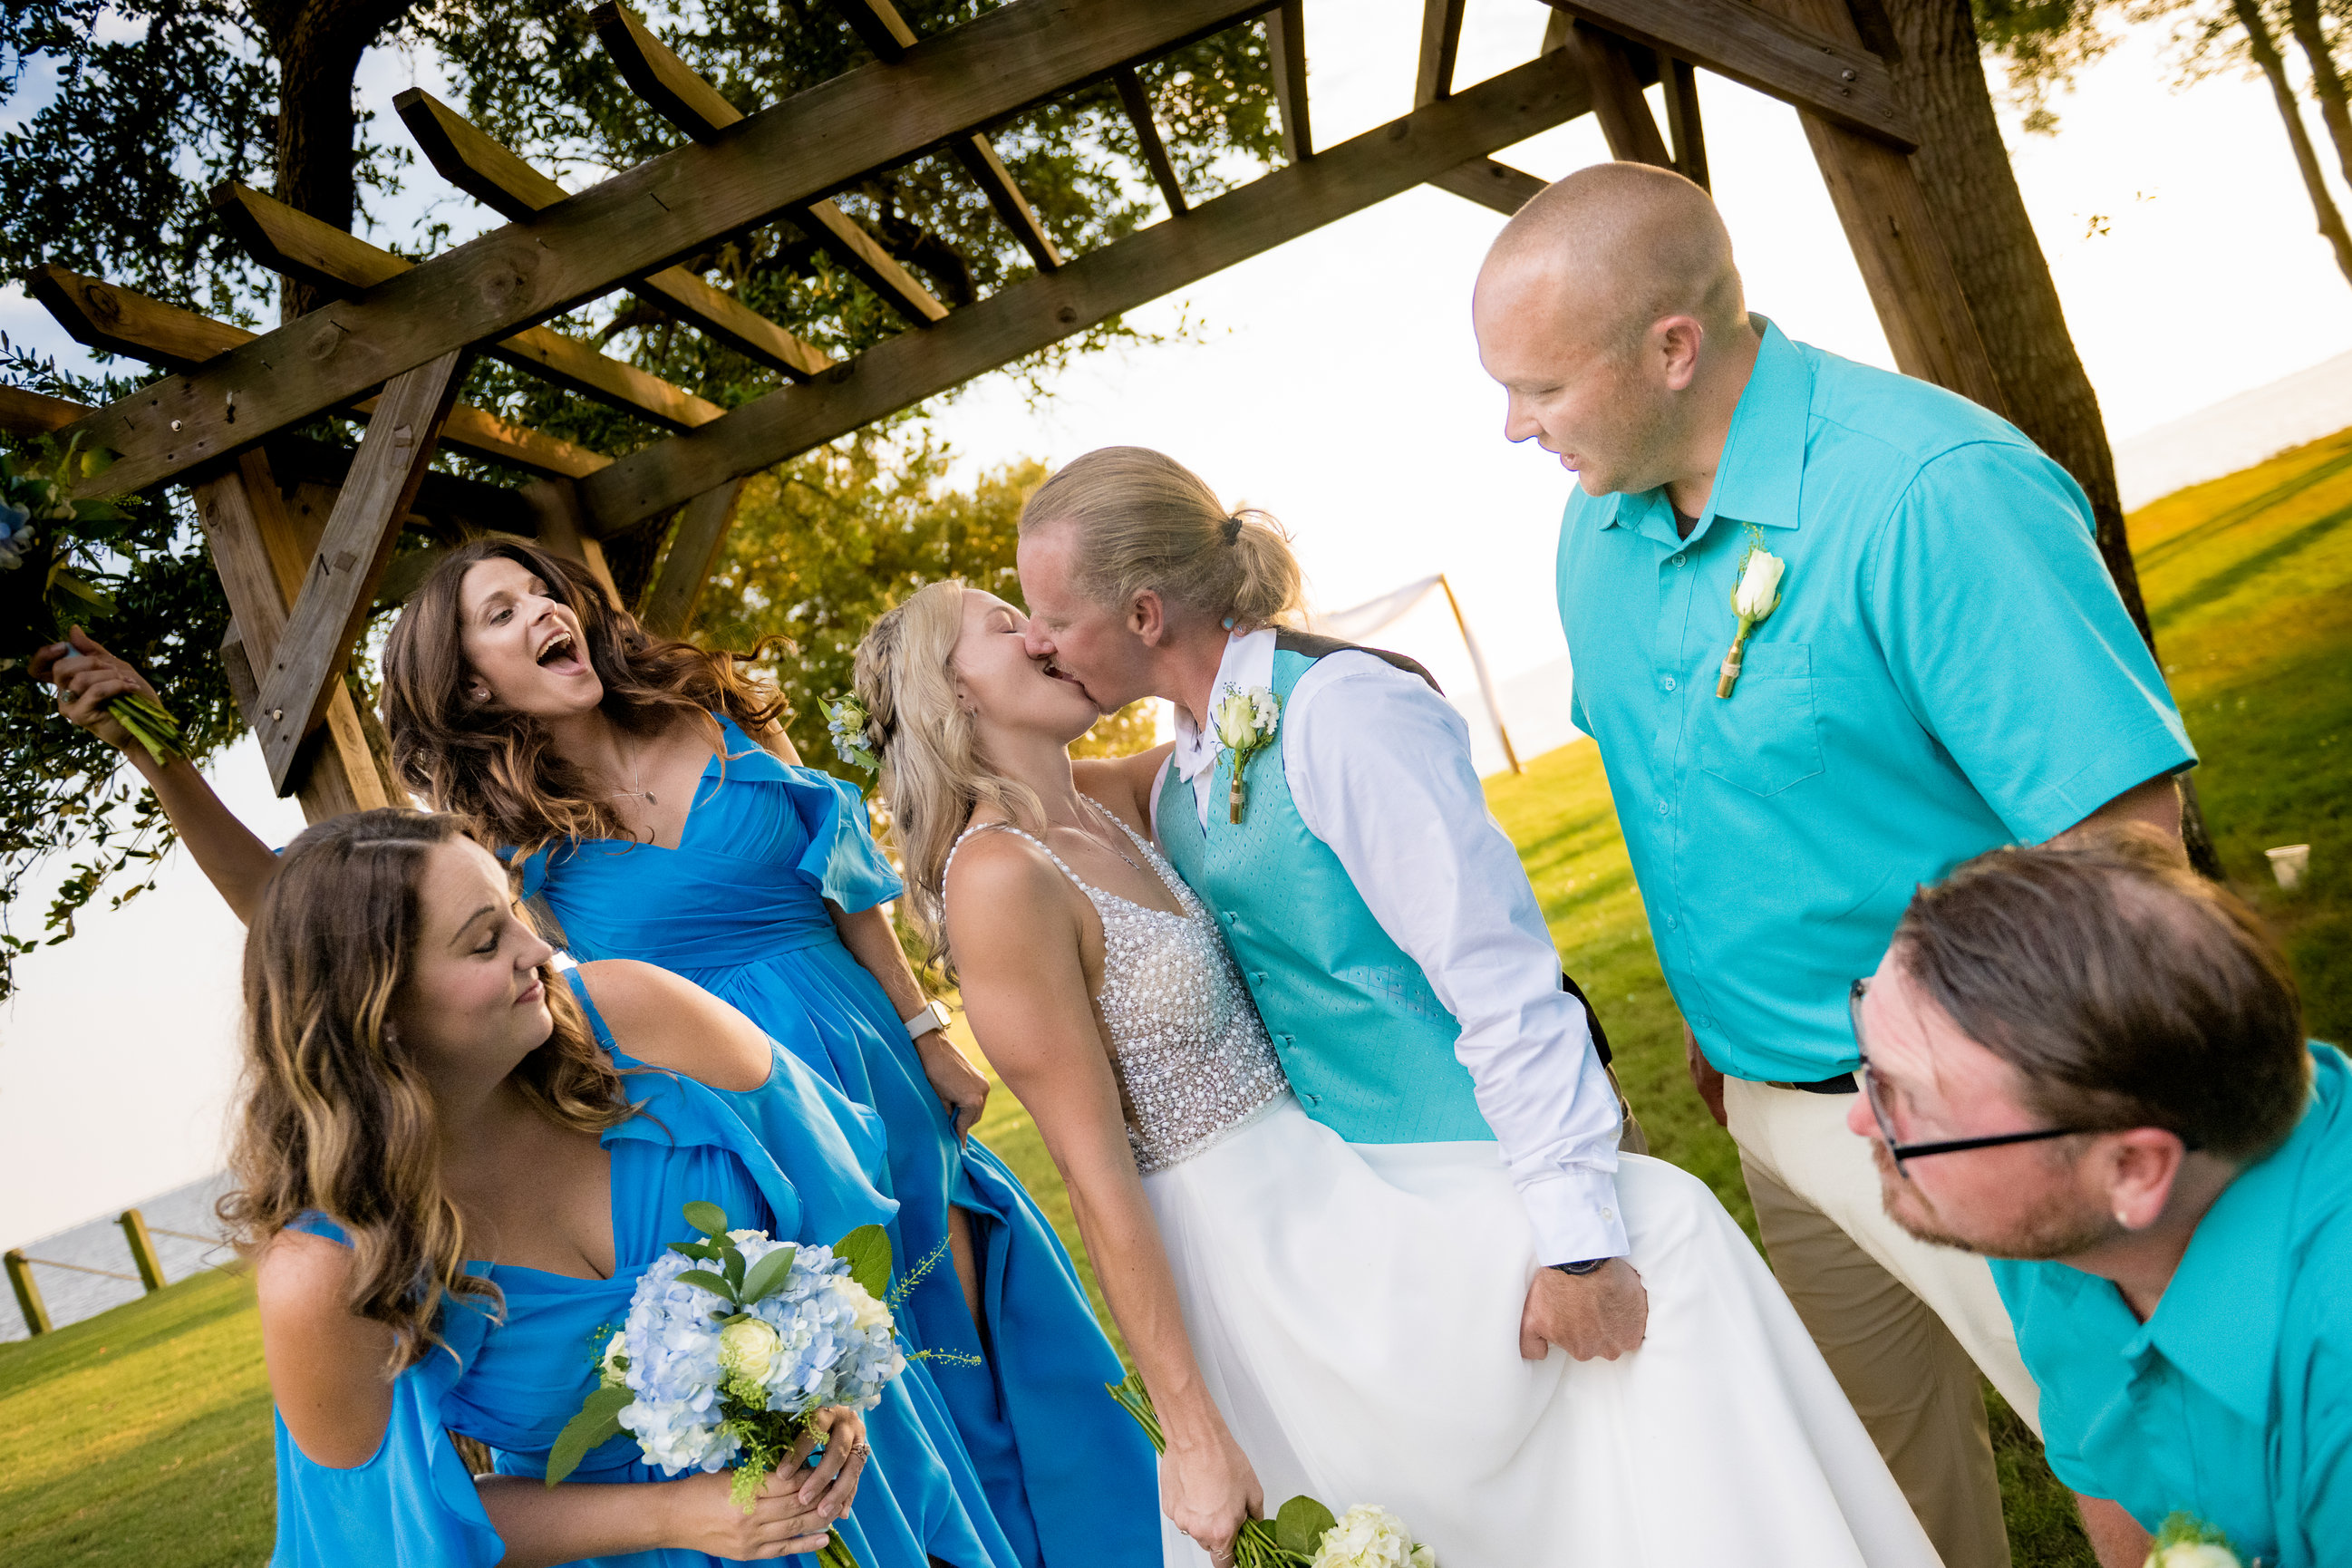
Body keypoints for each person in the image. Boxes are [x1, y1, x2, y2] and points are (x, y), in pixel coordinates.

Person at [905, 449, 1944, 1564]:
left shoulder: (1195, 764)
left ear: (1145, 610)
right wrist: (1193, 1424)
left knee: (1665, 1263)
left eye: (1044, 613)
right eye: (1012, 626)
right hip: (1270, 1228)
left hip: (1379, 1171)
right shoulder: (1057, 839)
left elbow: (1490, 964)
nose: (1042, 637)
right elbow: (1087, 1162)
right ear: (956, 686)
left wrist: (1579, 1245)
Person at [36, 538, 1159, 1566]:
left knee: (965, 1350)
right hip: (694, 1104)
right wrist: (168, 760)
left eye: (542, 589)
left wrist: (921, 1023)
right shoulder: (504, 844)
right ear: (469, 681)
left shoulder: (713, 705)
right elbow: (318, 918)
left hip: (841, 1070)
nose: (542, 607)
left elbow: (846, 877)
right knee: (856, 1369)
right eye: (500, 609)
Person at [1470, 161, 2196, 1568]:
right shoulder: (1592, 527)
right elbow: (1678, 785)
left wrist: (2016, 1114)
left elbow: (2123, 847)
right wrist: (1714, 1029)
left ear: (1670, 348)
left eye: (1538, 389)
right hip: (1767, 1107)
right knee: (1870, 1494)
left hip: (1993, 1111)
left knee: (2145, 1483)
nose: (1513, 427)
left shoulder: (1931, 490)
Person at [227, 808, 1021, 1567]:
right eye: (482, 944)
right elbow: (394, 1538)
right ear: (379, 1013)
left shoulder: (639, 1016)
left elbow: (848, 1201)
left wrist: (834, 1377)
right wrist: (676, 1515)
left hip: (857, 1495)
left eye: (512, 912)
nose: (536, 950)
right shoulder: (322, 1274)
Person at [1848, 829, 2348, 1568]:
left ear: (2134, 1170)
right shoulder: (2052, 1213)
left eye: (1906, 1098)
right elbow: (2104, 1461)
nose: (1860, 1119)